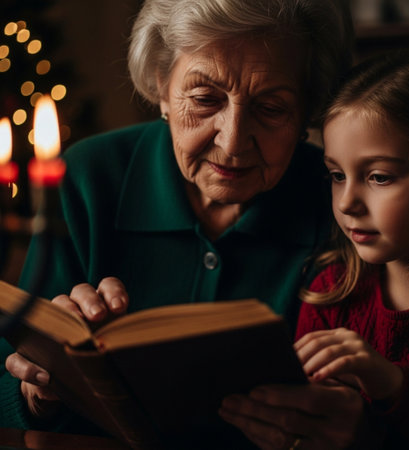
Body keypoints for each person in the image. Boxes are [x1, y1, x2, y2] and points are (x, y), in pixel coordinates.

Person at [0, 0, 361, 448]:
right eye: (205, 99)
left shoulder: (345, 201)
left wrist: (358, 425)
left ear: (307, 110)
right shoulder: (89, 177)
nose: (231, 143)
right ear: (161, 88)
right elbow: (8, 371)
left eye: (271, 108)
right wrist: (36, 390)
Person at [220, 50, 409, 449]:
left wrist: (394, 389)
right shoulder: (331, 293)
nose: (347, 203)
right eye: (337, 175)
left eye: (379, 177)